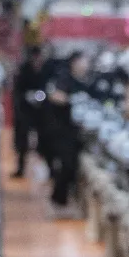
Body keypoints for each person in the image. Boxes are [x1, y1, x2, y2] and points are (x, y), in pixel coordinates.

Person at [41, 50, 87, 217]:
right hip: (61, 130)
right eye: (83, 61)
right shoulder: (64, 76)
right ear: (75, 61)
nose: (86, 64)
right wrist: (71, 100)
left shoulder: (81, 80)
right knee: (66, 165)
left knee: (72, 166)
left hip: (73, 131)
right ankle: (58, 200)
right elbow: (55, 95)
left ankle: (64, 200)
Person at [10, 43, 48, 178]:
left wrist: (42, 96)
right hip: (25, 111)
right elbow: (17, 91)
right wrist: (27, 97)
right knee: (22, 141)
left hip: (42, 111)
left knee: (44, 140)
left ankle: (45, 170)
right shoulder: (24, 70)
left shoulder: (46, 70)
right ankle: (21, 168)